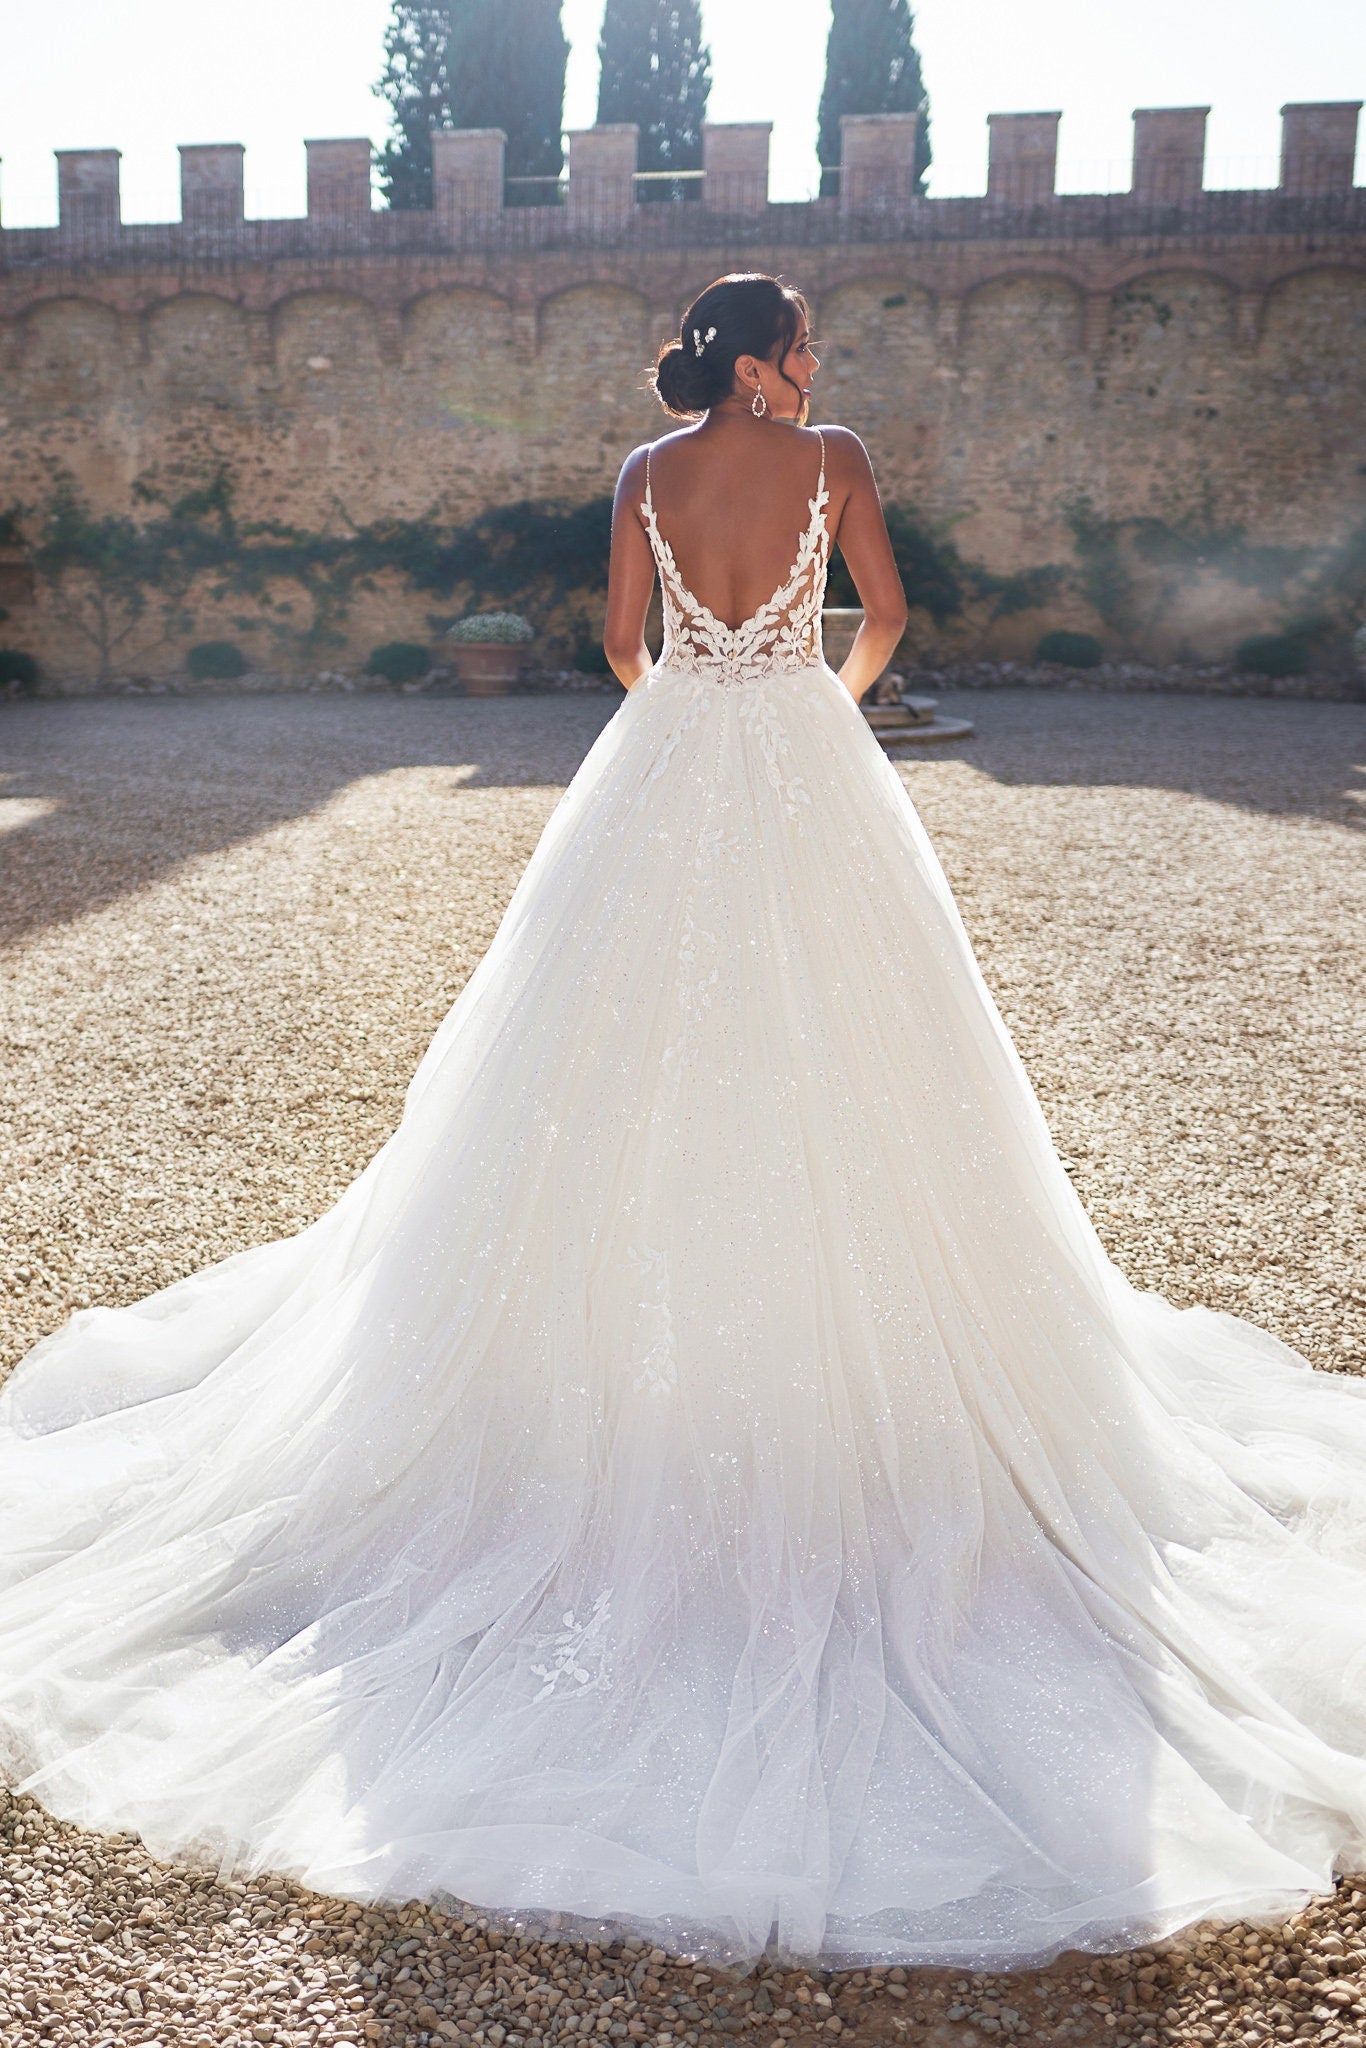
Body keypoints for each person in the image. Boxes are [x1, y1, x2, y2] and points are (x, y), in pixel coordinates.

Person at [0, 269, 1363, 1973]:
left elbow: (615, 647)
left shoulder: (646, 477)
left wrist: (692, 706)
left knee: (587, 1067)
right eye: (809, 345)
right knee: (866, 1053)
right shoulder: (835, 454)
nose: (821, 368)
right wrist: (811, 705)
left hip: (658, 775)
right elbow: (881, 625)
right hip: (802, 759)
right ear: (774, 360)